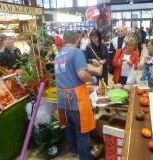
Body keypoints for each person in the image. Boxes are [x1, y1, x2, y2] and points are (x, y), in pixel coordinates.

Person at [54, 31, 96, 160]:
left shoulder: (57, 56)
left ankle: (73, 152)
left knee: (70, 127)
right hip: (76, 99)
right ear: (78, 40)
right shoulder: (76, 52)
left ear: (64, 41)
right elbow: (82, 75)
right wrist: (92, 79)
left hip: (62, 99)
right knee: (82, 132)